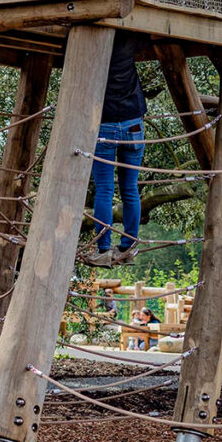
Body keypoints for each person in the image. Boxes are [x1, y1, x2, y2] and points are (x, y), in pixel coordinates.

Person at [83, 29, 150, 268]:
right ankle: (129, 247)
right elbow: (146, 38)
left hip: (105, 124)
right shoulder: (128, 40)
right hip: (133, 123)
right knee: (130, 188)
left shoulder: (94, 40)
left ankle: (103, 249)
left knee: (104, 189)